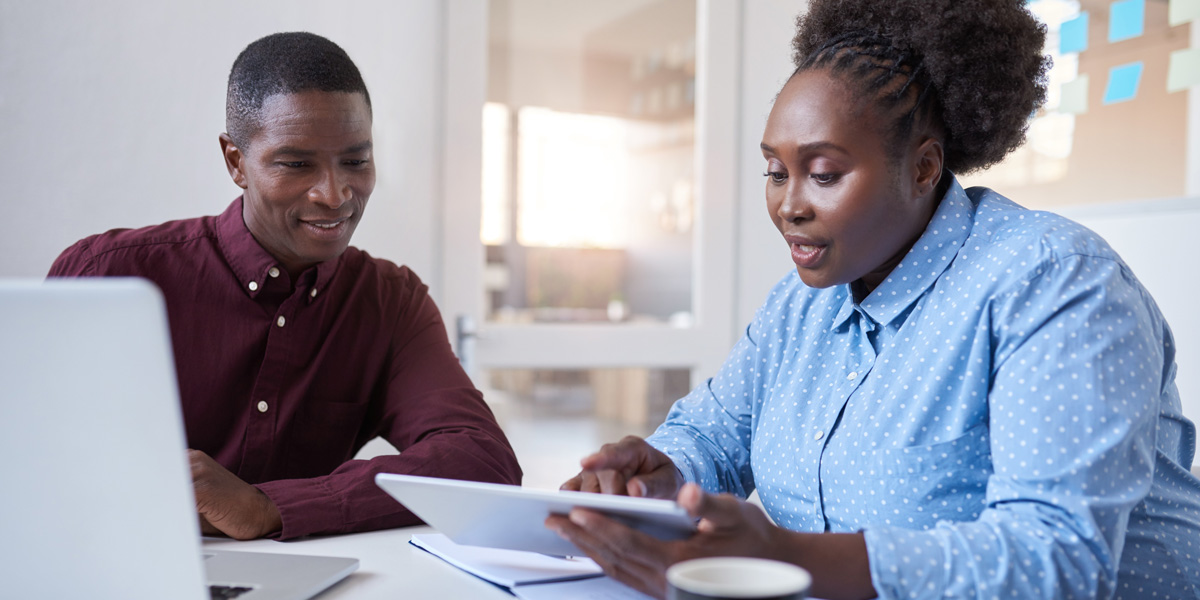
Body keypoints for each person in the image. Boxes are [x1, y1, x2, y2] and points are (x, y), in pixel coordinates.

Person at [548, 1, 1200, 598]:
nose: (789, 205)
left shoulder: (1055, 283)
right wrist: (661, 474)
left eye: (823, 173)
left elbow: (1055, 559)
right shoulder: (801, 306)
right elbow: (715, 437)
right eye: (775, 171)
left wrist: (785, 556)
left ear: (923, 168)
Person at [48, 32, 522, 541]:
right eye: (297, 165)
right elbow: (32, 455)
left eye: (356, 162)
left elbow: (482, 461)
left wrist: (269, 506)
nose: (335, 195)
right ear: (235, 162)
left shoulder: (392, 302)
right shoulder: (107, 275)